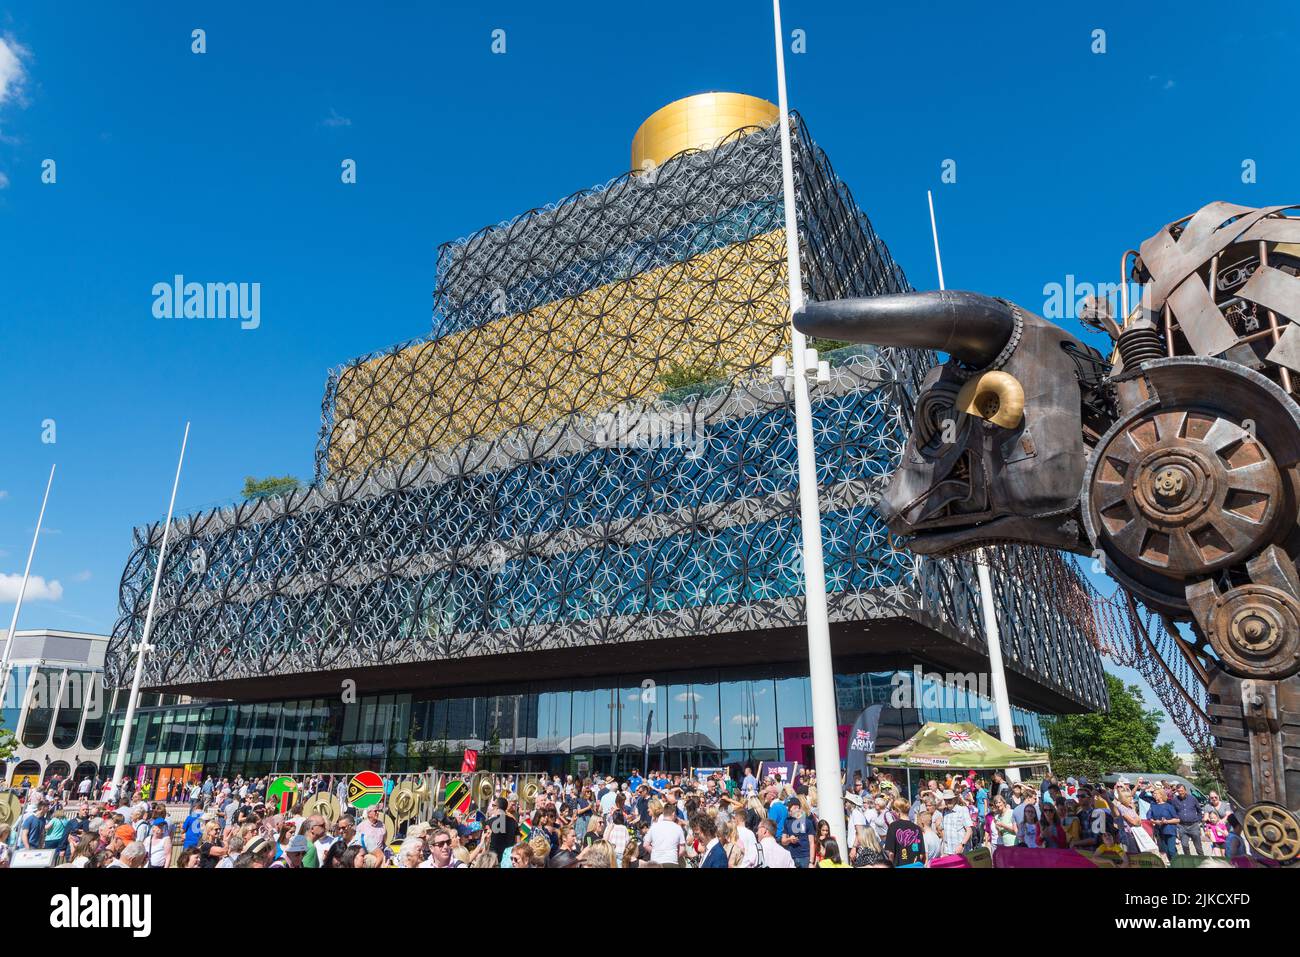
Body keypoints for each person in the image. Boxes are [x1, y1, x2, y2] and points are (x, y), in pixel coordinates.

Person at [1168, 783, 1204, 856]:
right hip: (1182, 826)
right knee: (1184, 845)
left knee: (1198, 847)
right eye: (1179, 791)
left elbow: (1199, 810)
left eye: (1182, 791)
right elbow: (1173, 812)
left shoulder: (1192, 798)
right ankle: (1188, 860)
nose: (1180, 792)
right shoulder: (1175, 800)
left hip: (1193, 825)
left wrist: (1199, 821)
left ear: (1185, 790)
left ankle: (1202, 860)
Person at [1145, 787, 1180, 859]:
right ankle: (1173, 864)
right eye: (1153, 794)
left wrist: (1166, 821)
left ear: (1161, 795)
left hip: (1170, 831)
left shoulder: (1168, 806)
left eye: (1155, 793)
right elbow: (1149, 817)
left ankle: (1177, 864)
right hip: (1160, 831)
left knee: (1171, 850)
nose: (1153, 795)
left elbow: (1177, 820)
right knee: (1166, 850)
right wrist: (1155, 821)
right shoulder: (1153, 805)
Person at [938, 790, 970, 857]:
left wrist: (962, 845)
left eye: (950, 799)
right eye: (946, 799)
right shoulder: (944, 812)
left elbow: (969, 830)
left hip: (960, 851)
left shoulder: (962, 810)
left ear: (954, 799)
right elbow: (942, 830)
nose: (948, 801)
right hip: (948, 851)